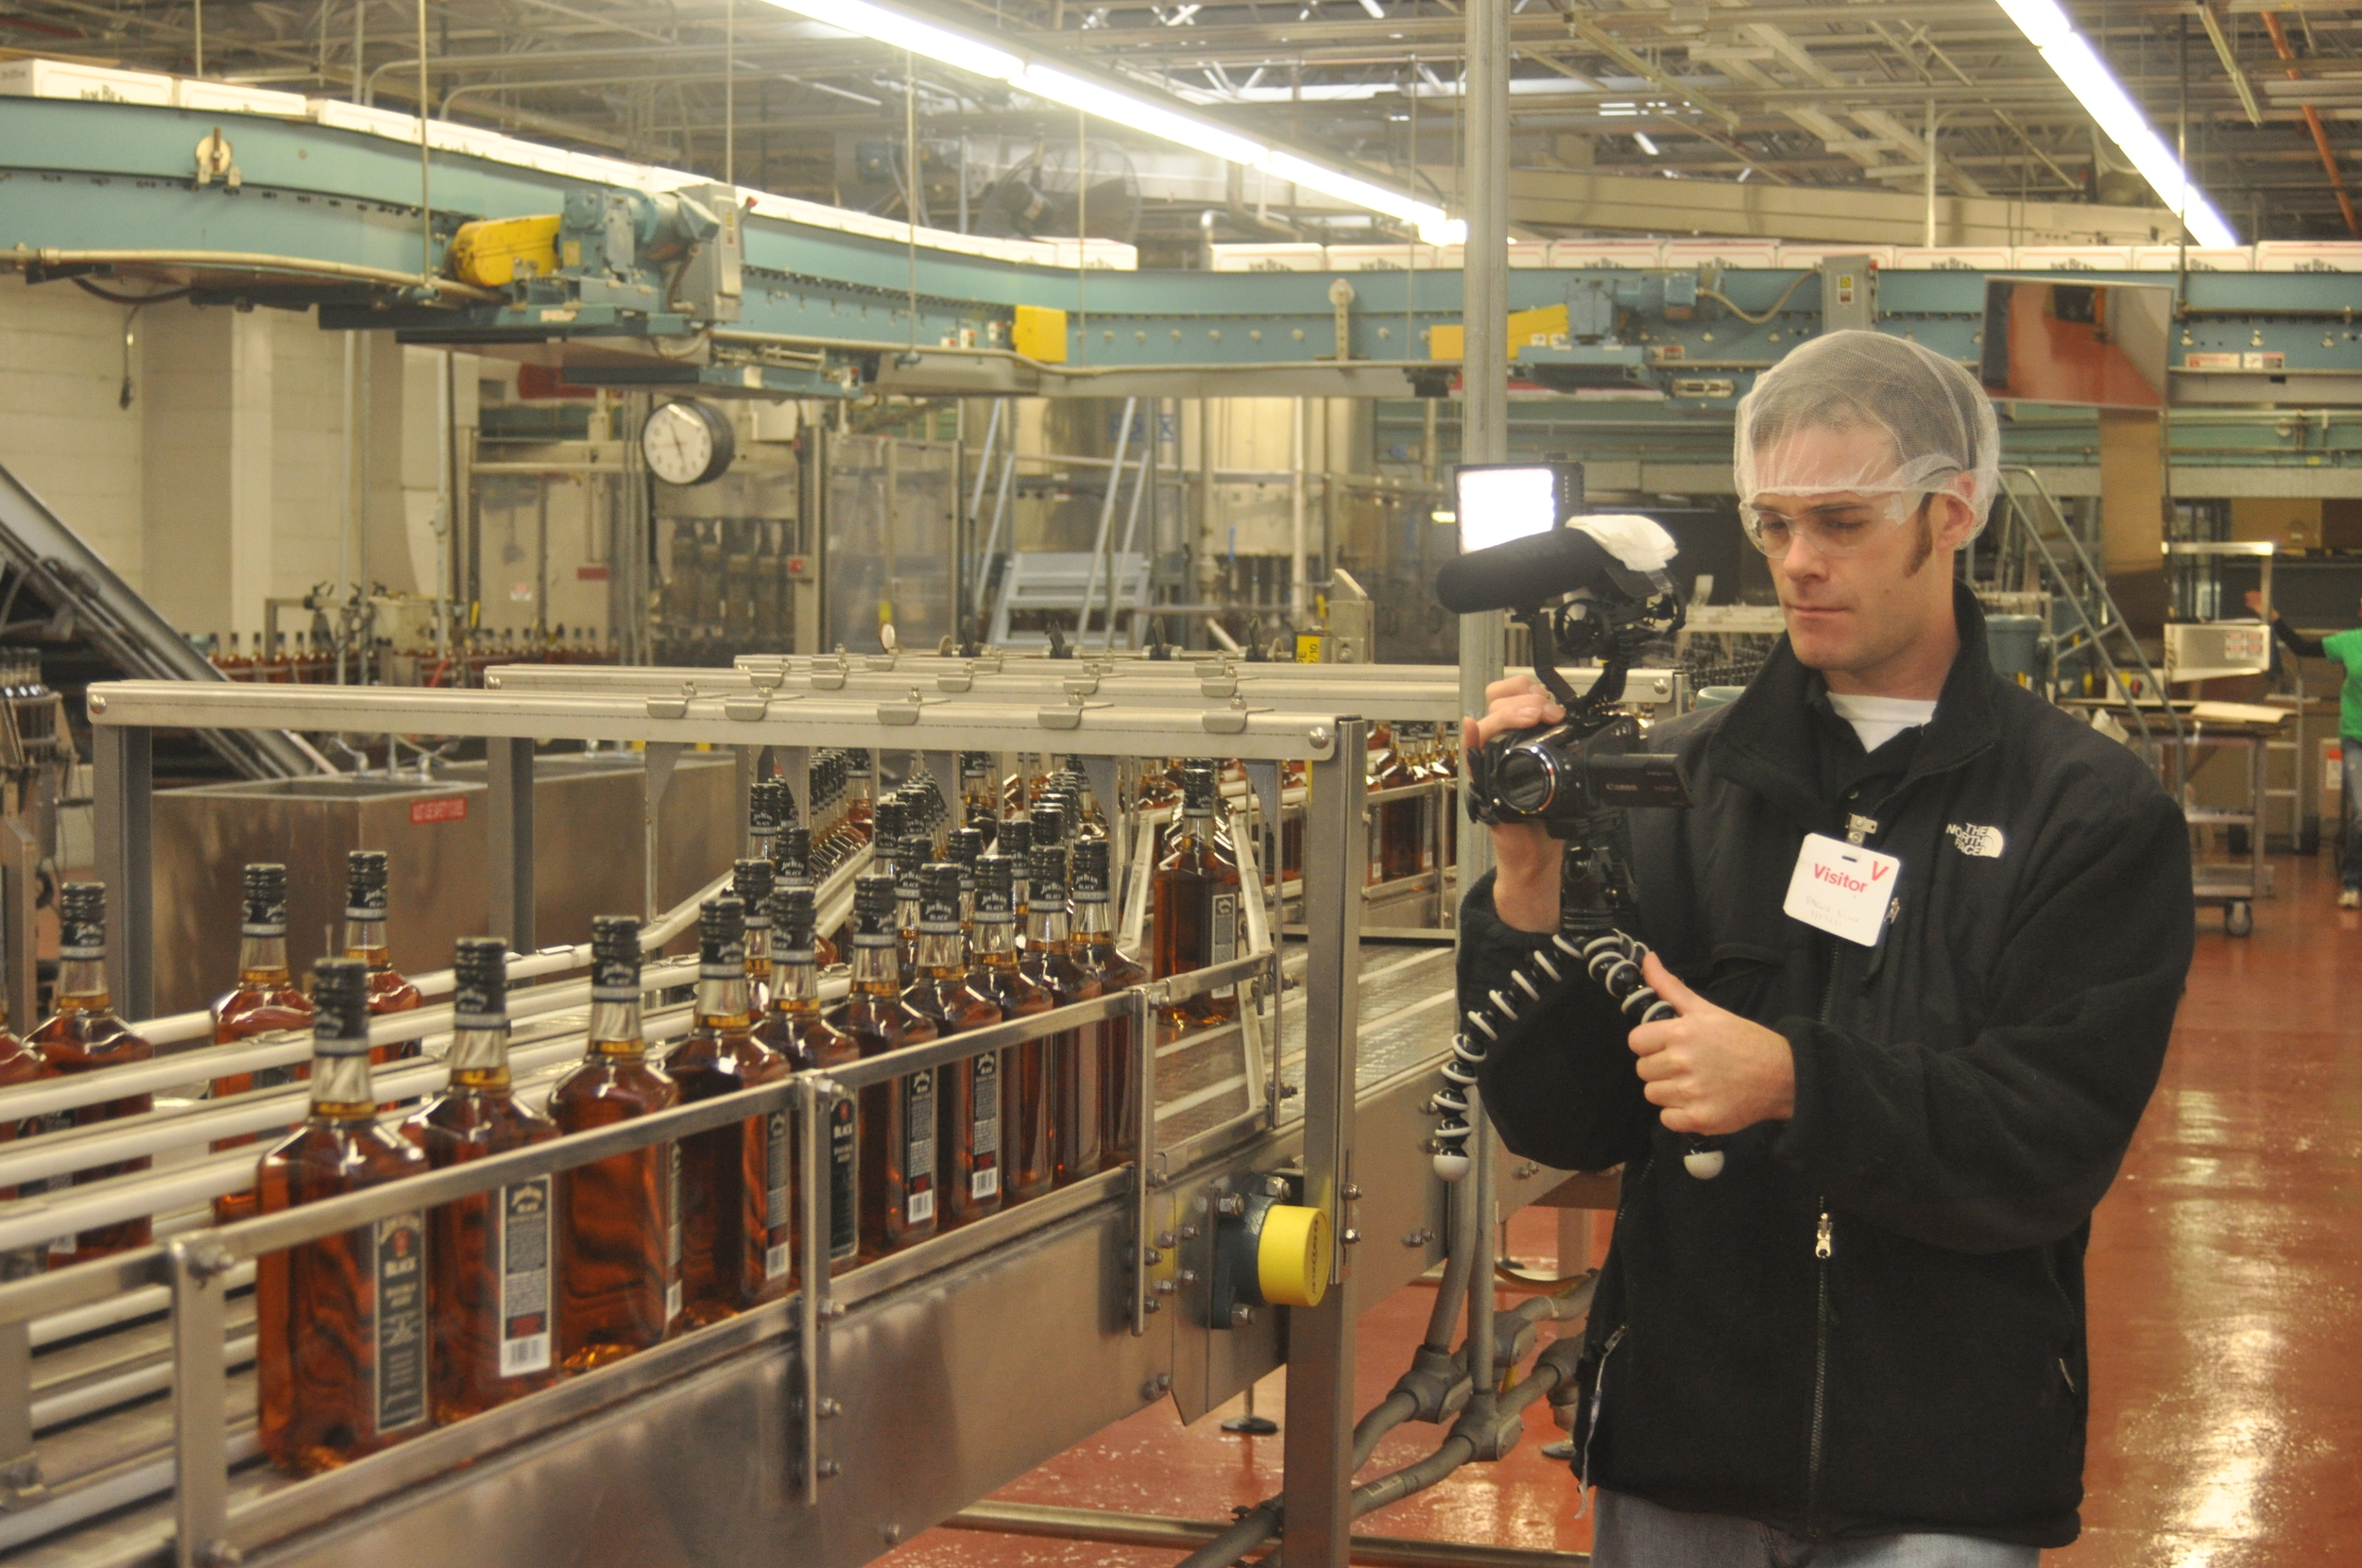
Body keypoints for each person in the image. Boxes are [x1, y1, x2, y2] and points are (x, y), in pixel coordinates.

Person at [1459, 331, 2194, 1565]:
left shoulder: (2090, 813)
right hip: (1684, 1450)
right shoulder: (1679, 786)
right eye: (1777, 523)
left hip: (1940, 1471)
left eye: (1842, 522)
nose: (1799, 562)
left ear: (1950, 513)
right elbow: (1564, 1121)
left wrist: (1794, 1081)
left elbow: (2047, 1140)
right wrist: (1525, 881)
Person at [2244, 588, 2362, 908]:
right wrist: (2274, 618)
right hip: (2355, 737)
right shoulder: (2349, 642)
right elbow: (2302, 647)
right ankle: (2353, 883)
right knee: (2360, 814)